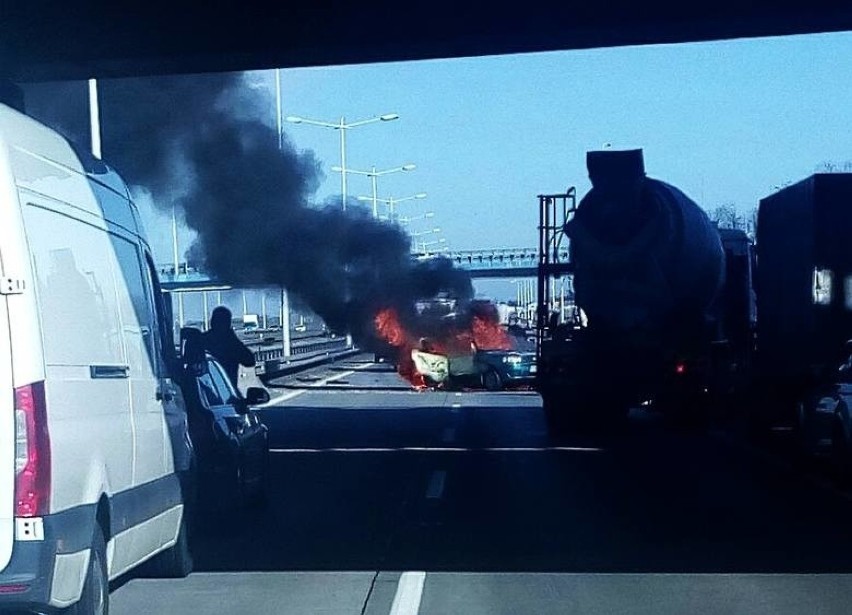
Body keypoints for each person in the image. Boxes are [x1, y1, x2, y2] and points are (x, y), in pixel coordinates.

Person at [201, 306, 256, 388]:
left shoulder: (202, 339)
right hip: (225, 391)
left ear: (212, 321)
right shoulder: (231, 343)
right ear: (228, 323)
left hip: (204, 389)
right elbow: (249, 361)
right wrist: (233, 338)